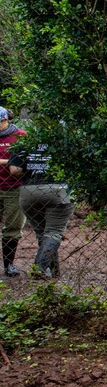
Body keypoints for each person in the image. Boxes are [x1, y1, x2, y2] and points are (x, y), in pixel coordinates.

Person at [8, 140, 75, 278]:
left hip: (29, 191)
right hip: (60, 189)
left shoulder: (24, 142)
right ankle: (40, 267)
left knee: (42, 233)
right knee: (54, 232)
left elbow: (15, 170)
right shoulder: (65, 140)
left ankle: (53, 271)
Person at [0, 107, 28, 277]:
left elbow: (25, 161)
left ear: (5, 120)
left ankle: (8, 265)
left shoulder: (20, 136)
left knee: (13, 227)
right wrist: (9, 161)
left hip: (14, 187)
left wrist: (5, 161)